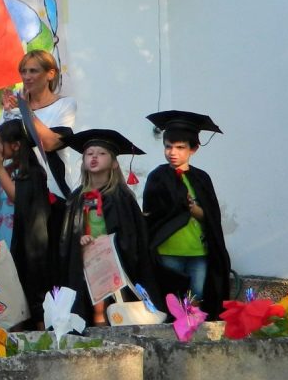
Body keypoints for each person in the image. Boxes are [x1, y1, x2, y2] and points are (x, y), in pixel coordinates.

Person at [58, 129, 157, 325]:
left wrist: (110, 243)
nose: (94, 157)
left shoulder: (122, 196)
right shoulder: (77, 197)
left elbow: (133, 235)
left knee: (112, 303)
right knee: (93, 306)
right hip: (86, 262)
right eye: (89, 153)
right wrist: (79, 240)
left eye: (101, 153)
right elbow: (67, 236)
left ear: (113, 163)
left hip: (116, 262)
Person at [143, 110, 231, 319]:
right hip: (168, 249)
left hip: (197, 251)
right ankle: (173, 330)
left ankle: (193, 329)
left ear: (194, 149)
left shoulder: (201, 179)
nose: (173, 152)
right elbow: (152, 214)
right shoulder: (158, 177)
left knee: (196, 295)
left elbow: (210, 216)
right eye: (168, 146)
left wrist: (192, 209)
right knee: (170, 295)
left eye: (180, 147)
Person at [0, 119, 53, 326]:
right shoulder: (5, 170)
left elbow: (17, 198)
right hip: (1, 240)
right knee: (5, 295)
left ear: (16, 145)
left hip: (21, 244)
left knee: (26, 295)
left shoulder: (33, 173)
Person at [0, 50, 77, 190]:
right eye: (23, 71)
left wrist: (26, 110)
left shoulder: (65, 104)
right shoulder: (14, 104)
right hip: (13, 187)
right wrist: (6, 114)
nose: (27, 77)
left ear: (50, 74)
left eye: (33, 71)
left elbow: (50, 143)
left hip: (50, 188)